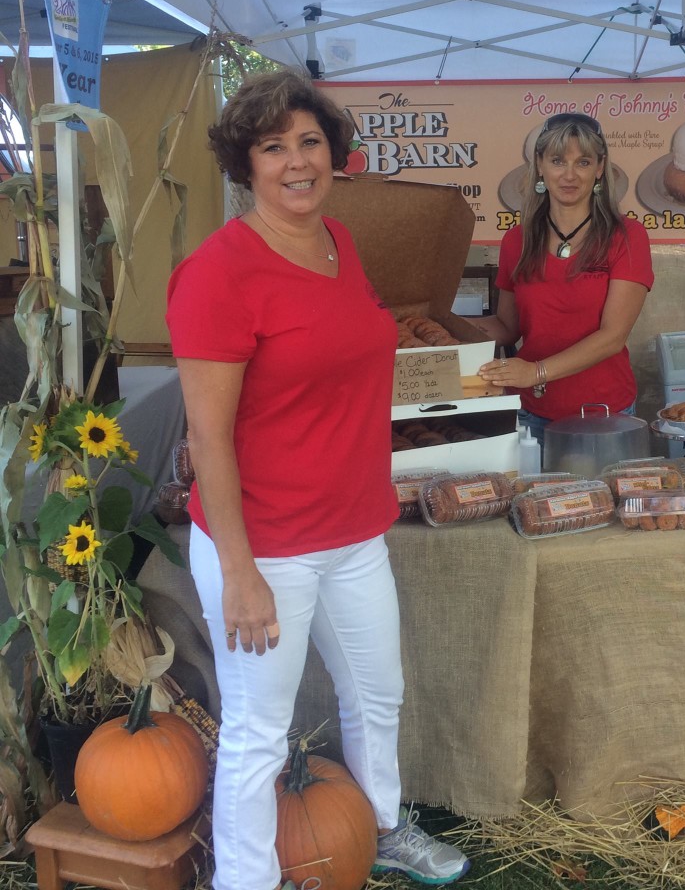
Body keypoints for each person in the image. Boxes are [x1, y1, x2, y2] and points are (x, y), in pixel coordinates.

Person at [165, 69, 469, 890]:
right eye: (274, 147)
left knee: (378, 695)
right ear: (246, 165)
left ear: (335, 155)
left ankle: (382, 827)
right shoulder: (218, 275)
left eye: (310, 143)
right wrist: (238, 571)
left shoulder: (341, 245)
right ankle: (245, 881)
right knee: (259, 731)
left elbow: (343, 355)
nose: (298, 162)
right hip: (264, 545)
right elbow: (209, 436)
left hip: (353, 530)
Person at [476, 112, 653, 442]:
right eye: (558, 160)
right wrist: (445, 323)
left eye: (583, 162)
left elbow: (613, 336)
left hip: (602, 413)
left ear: (600, 168)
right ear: (540, 164)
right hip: (533, 411)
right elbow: (507, 326)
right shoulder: (516, 240)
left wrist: (536, 371)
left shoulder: (627, 237)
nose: (569, 174)